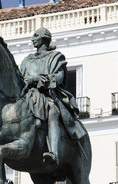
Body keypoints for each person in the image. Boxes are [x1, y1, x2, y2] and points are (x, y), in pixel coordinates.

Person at [20, 27, 86, 165]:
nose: (32, 39)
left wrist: (36, 79)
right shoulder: (27, 60)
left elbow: (59, 77)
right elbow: (20, 78)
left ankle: (54, 153)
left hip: (47, 95)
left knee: (53, 112)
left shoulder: (56, 57)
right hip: (27, 96)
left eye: (35, 36)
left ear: (44, 38)